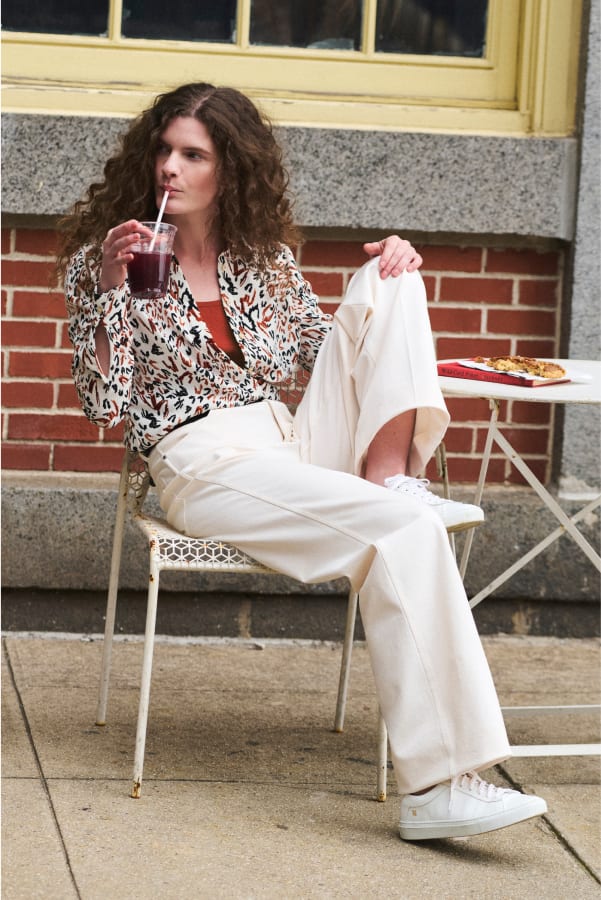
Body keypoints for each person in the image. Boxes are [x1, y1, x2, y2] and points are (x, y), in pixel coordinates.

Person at [57, 82, 547, 841]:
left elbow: (332, 354)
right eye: (164, 150)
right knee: (405, 534)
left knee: (393, 279)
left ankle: (390, 477)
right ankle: (440, 786)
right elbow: (103, 406)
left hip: (286, 437)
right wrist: (113, 292)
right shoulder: (109, 258)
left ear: (232, 171)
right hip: (201, 456)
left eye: (194, 155)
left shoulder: (264, 264)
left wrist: (389, 276)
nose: (170, 169)